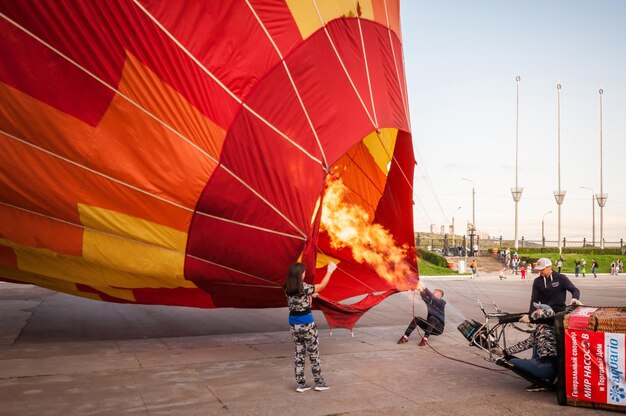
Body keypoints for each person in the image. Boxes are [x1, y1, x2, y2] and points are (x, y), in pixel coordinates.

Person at [284, 261, 337, 393]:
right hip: (307, 324)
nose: (304, 274)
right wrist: (330, 270)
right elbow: (323, 286)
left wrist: (310, 294)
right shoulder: (304, 287)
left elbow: (299, 296)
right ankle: (319, 382)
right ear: (299, 275)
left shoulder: (287, 287)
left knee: (299, 353)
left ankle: (301, 384)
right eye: (303, 273)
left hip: (293, 324)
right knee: (314, 353)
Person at [494, 304, 558, 392]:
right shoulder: (541, 328)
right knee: (511, 359)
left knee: (512, 362)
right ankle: (539, 377)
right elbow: (525, 344)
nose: (535, 311)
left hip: (548, 367)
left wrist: (529, 318)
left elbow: (549, 313)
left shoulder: (549, 327)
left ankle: (543, 380)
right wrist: (504, 352)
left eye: (538, 309)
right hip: (544, 363)